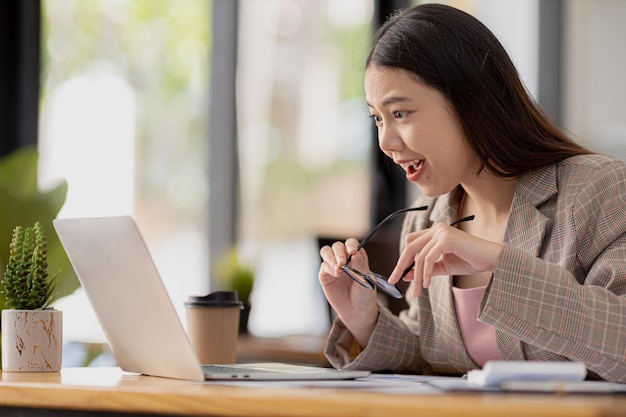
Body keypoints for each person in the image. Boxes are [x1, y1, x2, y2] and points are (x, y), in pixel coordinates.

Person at [318, 3, 626, 383]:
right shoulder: (426, 216)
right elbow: (434, 354)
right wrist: (363, 318)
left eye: (400, 113)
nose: (386, 141)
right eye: (377, 118)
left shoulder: (599, 190)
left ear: (471, 101)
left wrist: (498, 262)